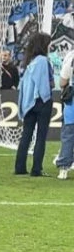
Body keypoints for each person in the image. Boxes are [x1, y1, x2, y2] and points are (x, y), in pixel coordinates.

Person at [14, 31, 53, 178]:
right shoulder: (42, 60)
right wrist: (47, 98)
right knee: (41, 136)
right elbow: (43, 83)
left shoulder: (29, 61)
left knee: (26, 135)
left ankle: (20, 167)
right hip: (41, 102)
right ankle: (36, 169)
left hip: (29, 103)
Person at [55, 47, 74, 181]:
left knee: (68, 137)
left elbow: (62, 81)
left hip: (72, 106)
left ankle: (63, 169)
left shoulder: (71, 57)